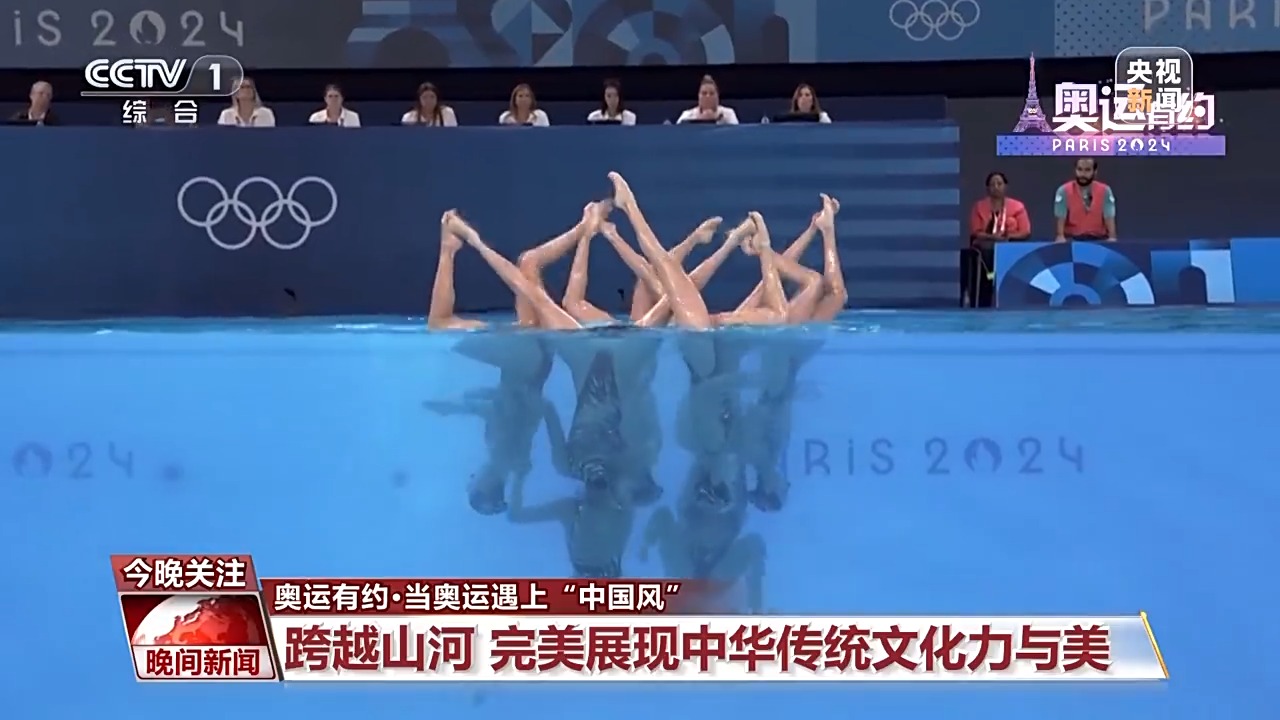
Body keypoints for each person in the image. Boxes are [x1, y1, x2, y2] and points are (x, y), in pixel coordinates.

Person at [1054, 157, 1116, 242]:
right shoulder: (1063, 191)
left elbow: (1109, 218)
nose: (1082, 174)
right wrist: (1060, 237)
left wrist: (1112, 238)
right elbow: (1060, 232)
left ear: (1095, 172)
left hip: (1099, 240)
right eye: (1079, 169)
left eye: (1087, 170)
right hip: (1072, 240)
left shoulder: (1105, 191)